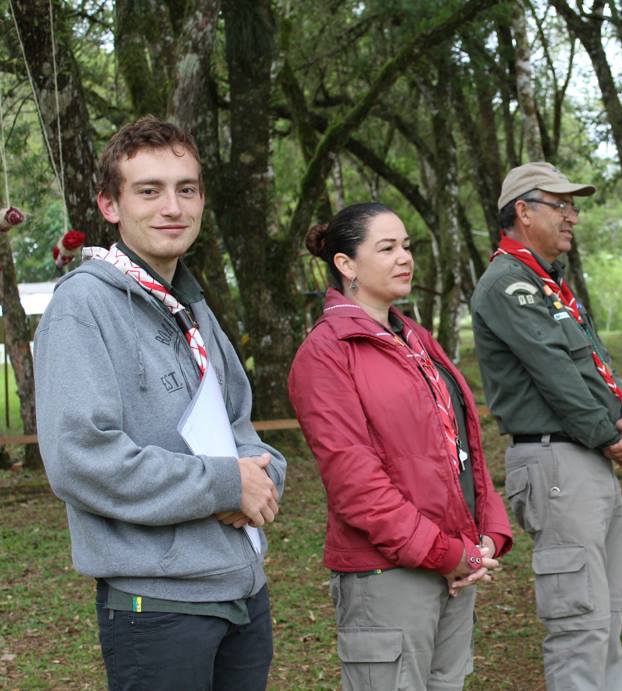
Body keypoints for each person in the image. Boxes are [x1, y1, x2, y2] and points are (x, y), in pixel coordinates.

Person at [34, 116, 286, 690]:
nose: (172, 206)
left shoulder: (191, 305)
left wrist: (263, 477)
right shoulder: (83, 307)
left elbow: (239, 424)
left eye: (186, 189)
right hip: (161, 603)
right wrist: (226, 484)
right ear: (110, 205)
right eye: (149, 190)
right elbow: (82, 458)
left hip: (244, 589)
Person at [288, 202, 513, 690]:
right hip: (389, 573)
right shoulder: (326, 352)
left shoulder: (414, 337)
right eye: (386, 248)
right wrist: (445, 553)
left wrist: (488, 532)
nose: (404, 257)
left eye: (406, 246)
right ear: (346, 265)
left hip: (454, 564)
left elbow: (462, 446)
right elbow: (356, 485)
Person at [471, 162, 622, 690]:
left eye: (573, 205)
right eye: (560, 205)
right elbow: (555, 374)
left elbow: (597, 362)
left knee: (606, 617)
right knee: (579, 624)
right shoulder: (507, 284)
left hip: (584, 455)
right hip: (558, 460)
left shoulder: (549, 284)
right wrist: (610, 433)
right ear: (523, 211)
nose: (572, 216)